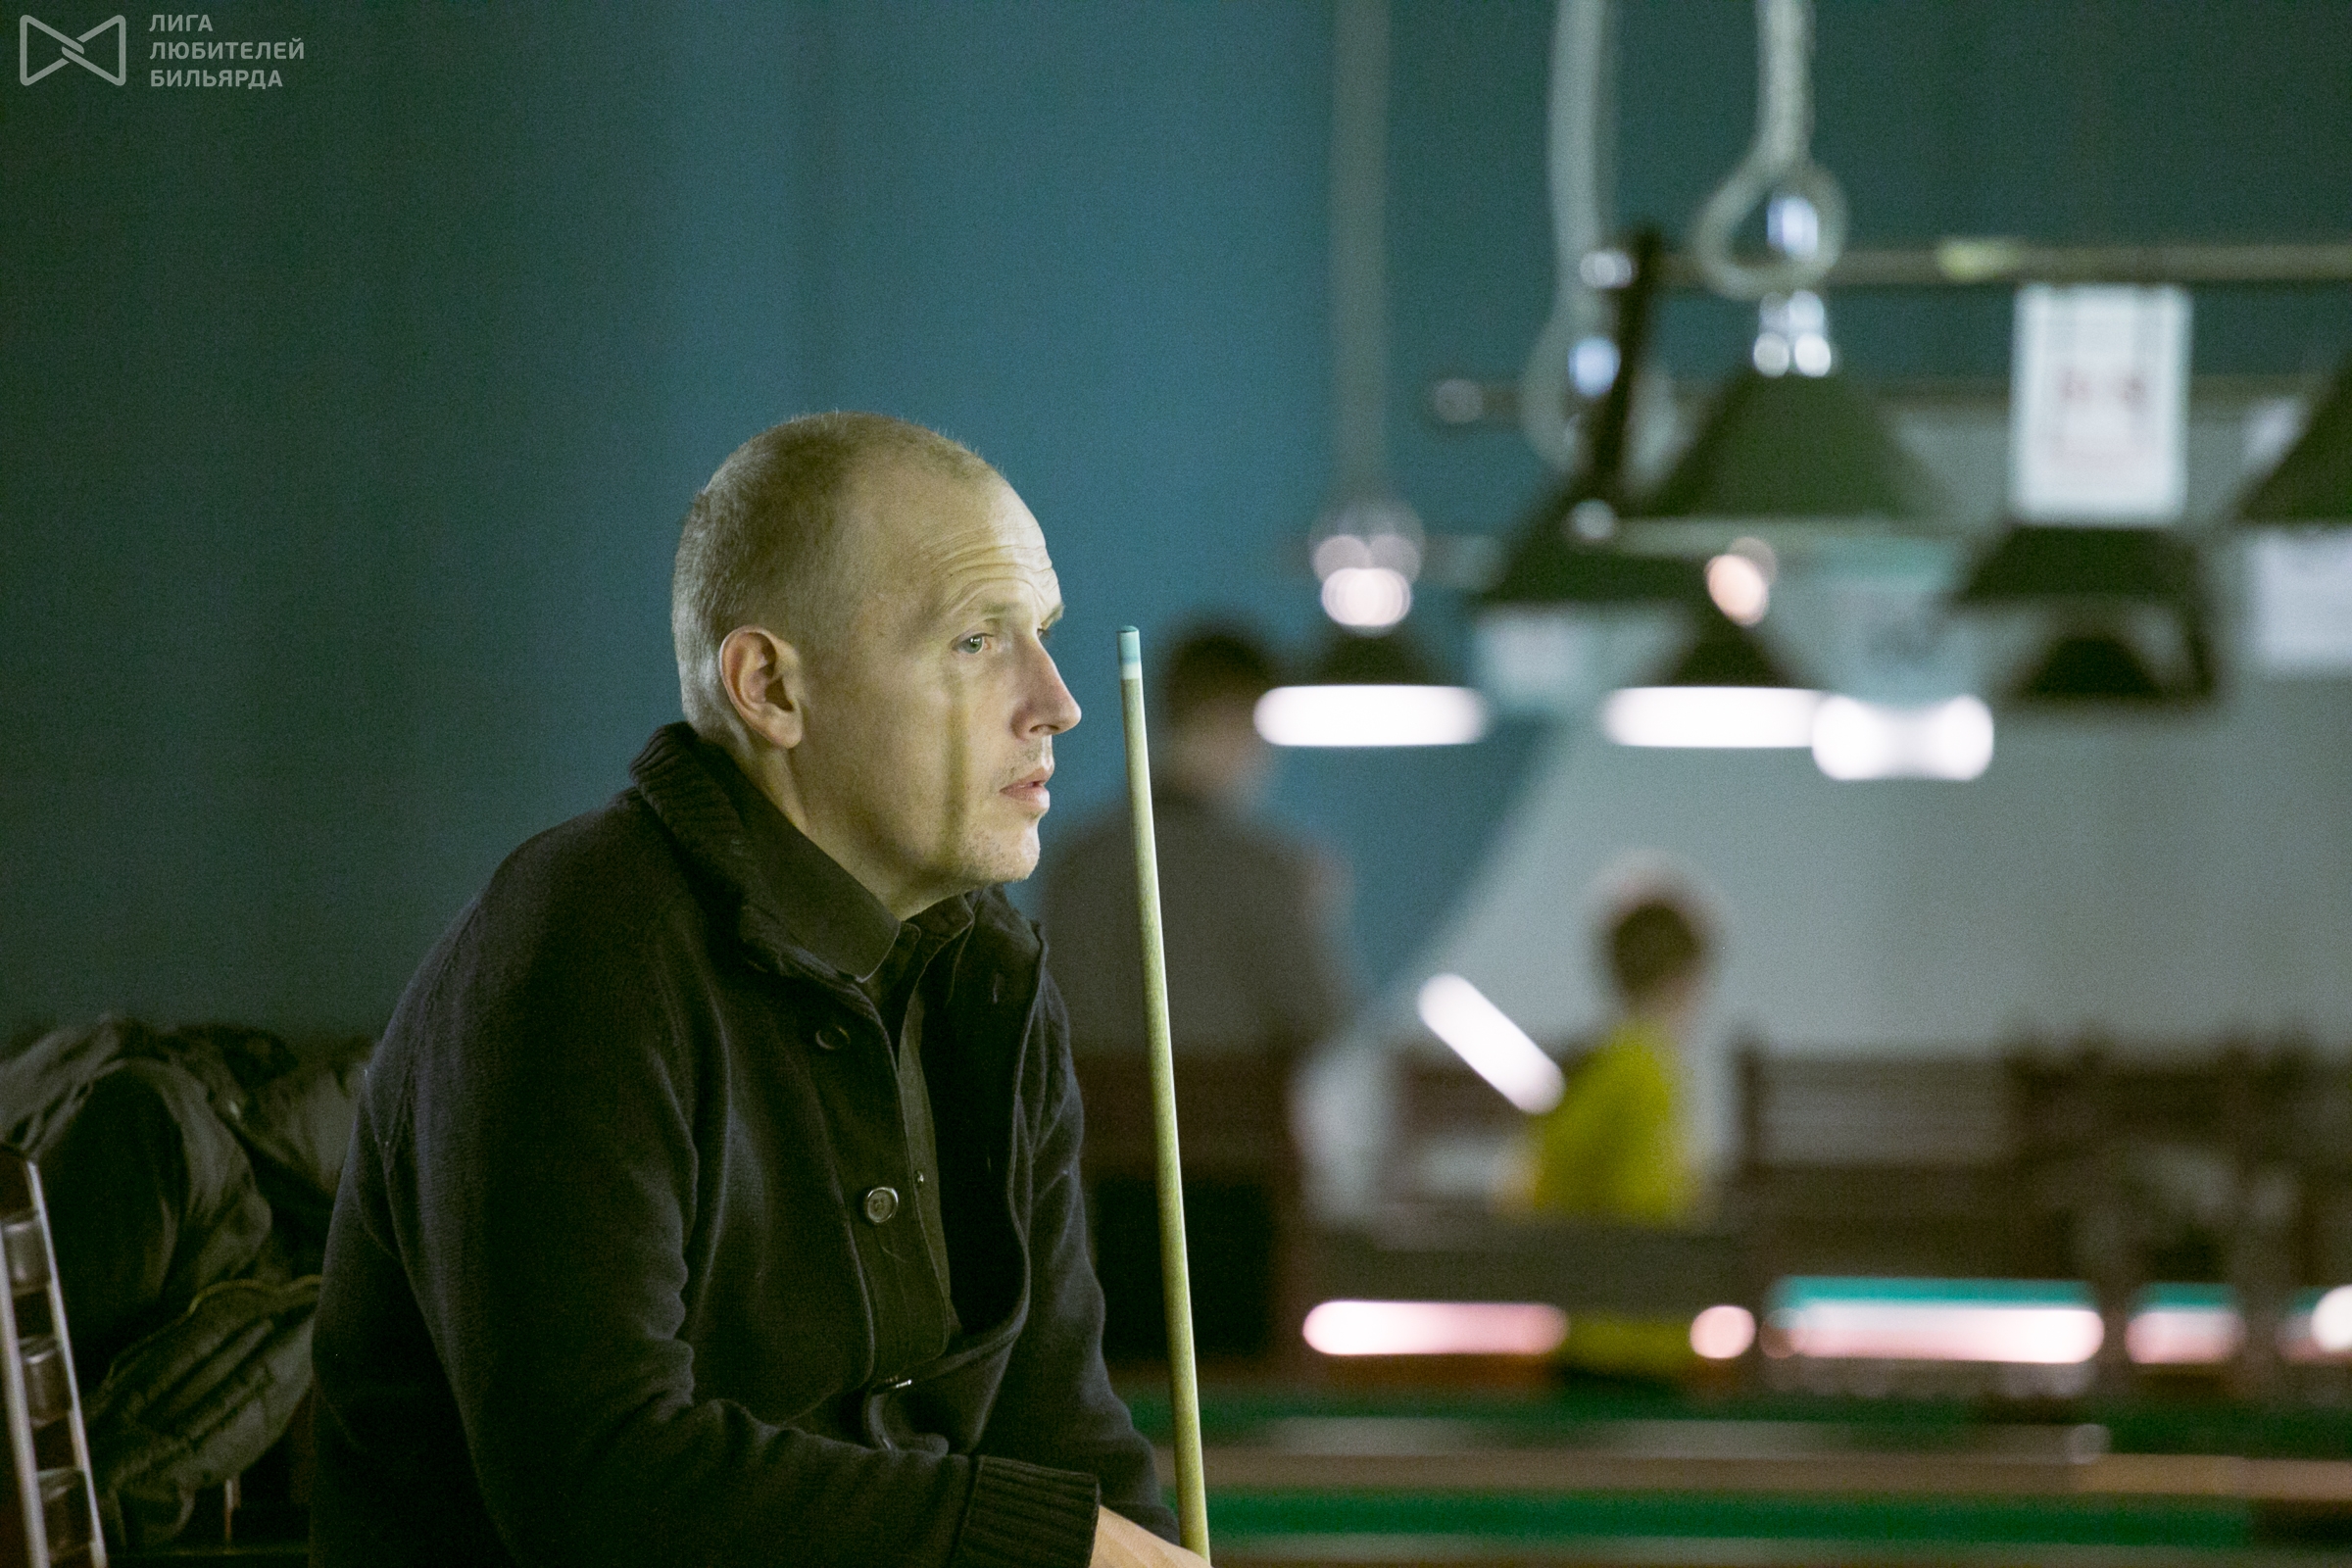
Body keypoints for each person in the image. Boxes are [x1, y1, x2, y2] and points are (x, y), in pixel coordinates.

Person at [312, 414, 1200, 1568]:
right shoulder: (579, 943)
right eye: (978, 640)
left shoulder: (987, 972)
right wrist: (1040, 1542)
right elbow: (597, 1484)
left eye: (1045, 633)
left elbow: (1065, 1437)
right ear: (771, 687)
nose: (1056, 700)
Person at [1042, 629, 1350, 1366]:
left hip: (1094, 1197)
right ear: (1232, 716)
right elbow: (1322, 1016)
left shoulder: (1074, 864)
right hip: (1238, 1201)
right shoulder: (1267, 869)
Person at [1504, 892, 1711, 1380]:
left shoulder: (1592, 1069)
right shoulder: (1651, 1072)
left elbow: (1532, 1191)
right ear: (1683, 979)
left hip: (1579, 1331)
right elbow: (1648, 1203)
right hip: (1641, 1343)